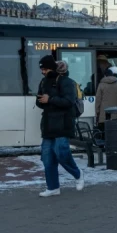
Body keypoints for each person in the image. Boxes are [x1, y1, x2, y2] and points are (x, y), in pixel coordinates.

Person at [36, 55, 83, 197]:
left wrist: (50, 99)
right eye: (41, 69)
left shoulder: (67, 82)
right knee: (47, 157)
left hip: (63, 123)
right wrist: (42, 101)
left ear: (52, 68)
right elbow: (38, 102)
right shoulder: (43, 82)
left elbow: (69, 101)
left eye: (44, 69)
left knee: (62, 153)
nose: (43, 72)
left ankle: (78, 173)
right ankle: (53, 187)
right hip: (48, 124)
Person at [94, 67, 117, 133]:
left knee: (105, 132)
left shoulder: (101, 84)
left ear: (105, 75)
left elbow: (98, 100)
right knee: (114, 132)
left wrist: (97, 111)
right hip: (116, 113)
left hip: (104, 113)